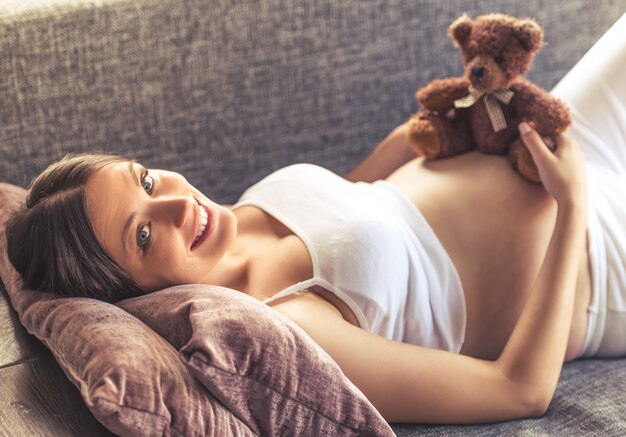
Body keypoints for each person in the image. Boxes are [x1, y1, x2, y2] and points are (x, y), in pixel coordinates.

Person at [5, 13, 625, 425]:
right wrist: (569, 206)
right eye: (142, 234)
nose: (175, 203)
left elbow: (357, 194)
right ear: (133, 295)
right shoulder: (289, 321)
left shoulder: (225, 222)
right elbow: (517, 390)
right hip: (599, 257)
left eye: (145, 179)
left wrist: (447, 124)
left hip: (551, 144)